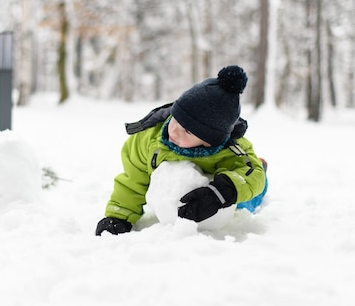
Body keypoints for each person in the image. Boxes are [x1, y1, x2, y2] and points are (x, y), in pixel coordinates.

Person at [95, 65, 268, 236]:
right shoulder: (147, 140)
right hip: (171, 195)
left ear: (208, 142)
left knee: (245, 202)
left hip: (215, 196)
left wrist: (221, 193)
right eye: (176, 119)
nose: (174, 130)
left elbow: (252, 174)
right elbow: (132, 182)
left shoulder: (231, 150)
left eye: (188, 131)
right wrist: (119, 216)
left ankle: (262, 167)